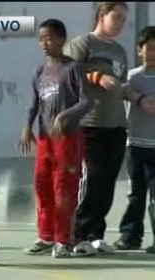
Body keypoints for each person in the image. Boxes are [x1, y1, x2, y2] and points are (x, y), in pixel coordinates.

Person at [63, 2, 155, 256]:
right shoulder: (83, 44)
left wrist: (138, 98)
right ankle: (77, 235)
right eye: (116, 17)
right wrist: (96, 77)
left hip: (115, 126)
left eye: (125, 19)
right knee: (90, 180)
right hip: (89, 124)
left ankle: (95, 235)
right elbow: (69, 75)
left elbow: (121, 87)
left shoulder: (119, 52)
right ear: (101, 15)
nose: (121, 23)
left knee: (106, 184)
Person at [19, 18, 94, 258]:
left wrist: (65, 115)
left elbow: (86, 101)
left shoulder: (73, 68)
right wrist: (26, 127)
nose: (44, 43)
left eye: (49, 38)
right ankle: (46, 236)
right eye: (41, 38)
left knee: (64, 189)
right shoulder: (39, 71)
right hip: (44, 140)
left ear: (62, 39)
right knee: (42, 187)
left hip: (67, 139)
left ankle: (64, 240)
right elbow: (33, 103)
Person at [113, 26, 155, 253]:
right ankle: (130, 235)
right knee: (136, 194)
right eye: (149, 48)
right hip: (136, 144)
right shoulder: (132, 76)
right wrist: (134, 95)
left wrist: (135, 96)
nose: (153, 52)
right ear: (140, 50)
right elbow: (119, 91)